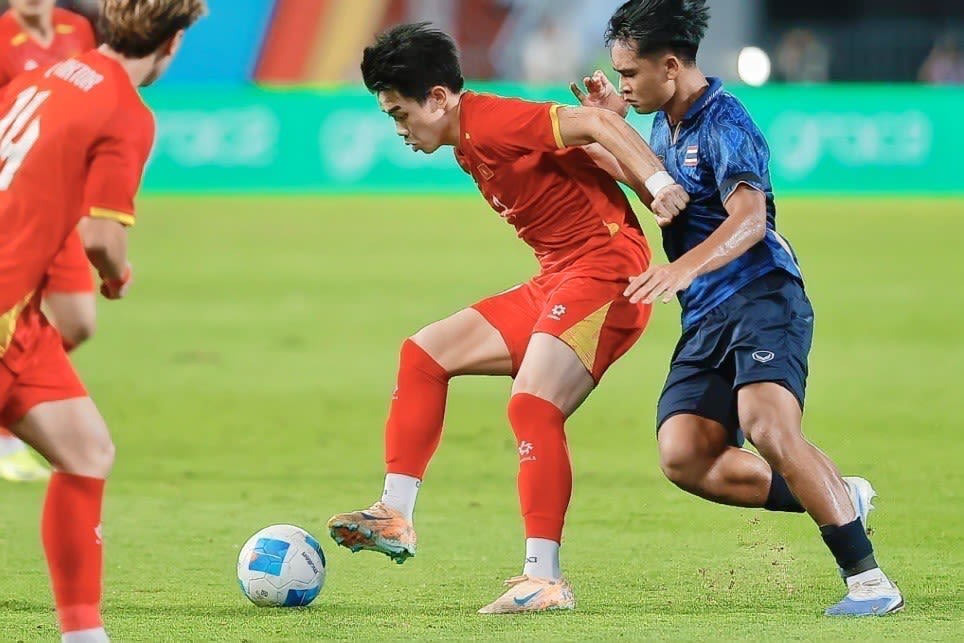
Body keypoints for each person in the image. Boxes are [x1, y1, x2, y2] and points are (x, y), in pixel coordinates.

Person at [327, 22, 689, 614]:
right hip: (560, 278)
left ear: (437, 98)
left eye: (400, 114)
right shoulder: (467, 140)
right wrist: (619, 137)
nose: (399, 130)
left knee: (533, 404)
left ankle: (545, 579)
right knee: (424, 354)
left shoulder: (491, 121)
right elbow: (591, 147)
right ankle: (394, 513)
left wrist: (659, 181)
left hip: (606, 274)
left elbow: (596, 126)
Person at [570, 0, 903, 617]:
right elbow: (663, 196)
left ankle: (869, 581)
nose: (624, 85)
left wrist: (681, 268)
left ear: (671, 67)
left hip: (761, 296)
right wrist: (605, 130)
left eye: (630, 74)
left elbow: (750, 220)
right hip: (705, 315)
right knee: (684, 456)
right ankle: (837, 494)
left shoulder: (726, 121)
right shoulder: (666, 124)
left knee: (769, 427)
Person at [0, 0, 206, 639]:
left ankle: (84, 634)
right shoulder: (125, 110)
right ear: (171, 45)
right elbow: (100, 238)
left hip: (20, 314)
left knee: (86, 449)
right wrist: (116, 277)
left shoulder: (45, 75)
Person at [0, 0, 96, 482]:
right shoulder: (2, 41)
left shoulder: (77, 29)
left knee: (78, 322)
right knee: (14, 319)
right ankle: (6, 434)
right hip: (15, 206)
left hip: (63, 204)